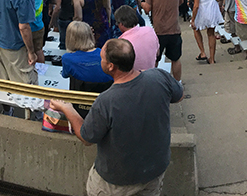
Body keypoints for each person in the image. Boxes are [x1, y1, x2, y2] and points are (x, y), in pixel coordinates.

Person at [44, 38, 184, 196]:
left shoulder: (106, 101)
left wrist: (66, 108)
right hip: (155, 171)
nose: (100, 59)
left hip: (116, 181)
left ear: (110, 66)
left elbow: (87, 137)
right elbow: (179, 96)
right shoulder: (159, 76)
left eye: (101, 57)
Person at [141, 0, 184, 81]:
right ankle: (178, 83)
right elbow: (180, 1)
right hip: (174, 27)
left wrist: (141, 3)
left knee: (154, 59)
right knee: (175, 59)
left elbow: (148, 8)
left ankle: (155, 84)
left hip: (159, 30)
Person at [61, 21, 114, 92]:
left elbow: (65, 75)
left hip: (80, 97)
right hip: (106, 95)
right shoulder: (107, 54)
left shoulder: (67, 58)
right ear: (90, 35)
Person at [189, 0, 223, 65]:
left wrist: (193, 19)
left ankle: (202, 52)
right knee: (211, 33)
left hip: (202, 8)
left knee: (196, 28)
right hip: (212, 7)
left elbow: (196, 5)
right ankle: (212, 59)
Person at [114, 5, 159, 74]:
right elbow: (157, 52)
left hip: (134, 79)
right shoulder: (149, 30)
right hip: (151, 75)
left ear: (121, 24)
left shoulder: (121, 42)